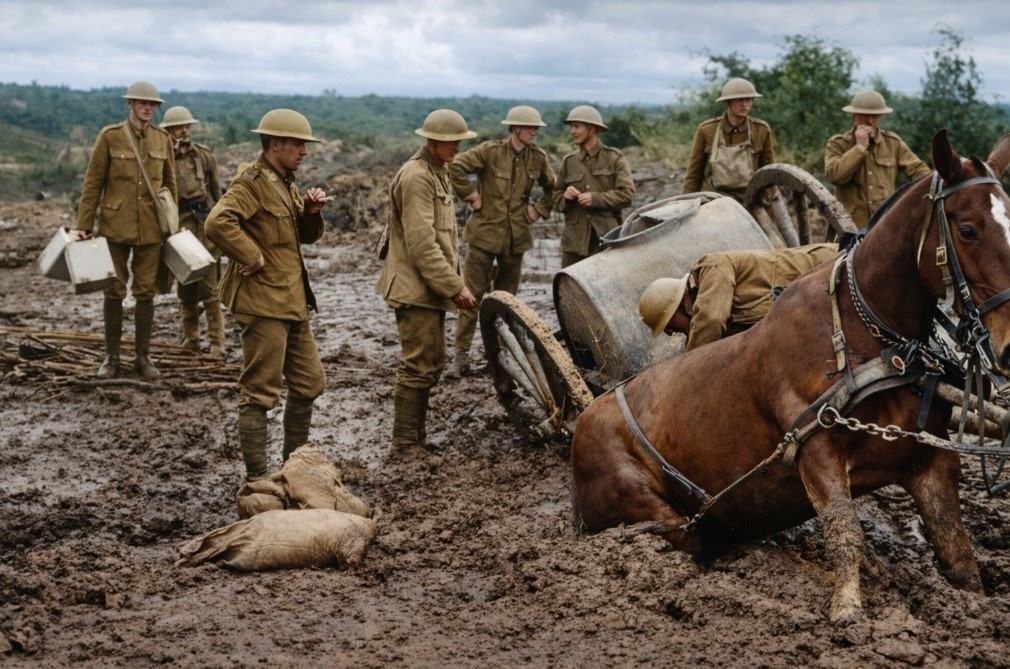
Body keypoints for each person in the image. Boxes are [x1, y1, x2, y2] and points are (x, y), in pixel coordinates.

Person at [205, 109, 329, 482]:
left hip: (291, 299)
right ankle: (259, 477)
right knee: (260, 391)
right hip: (262, 302)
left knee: (310, 382)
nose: (304, 151)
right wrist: (251, 255)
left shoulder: (284, 181)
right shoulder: (253, 181)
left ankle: (292, 467)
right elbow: (217, 222)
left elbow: (299, 237)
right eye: (298, 144)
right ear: (275, 144)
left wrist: (310, 213)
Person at [376, 109, 478, 458]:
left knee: (431, 362)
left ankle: (414, 439)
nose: (457, 148)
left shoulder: (438, 171)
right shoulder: (417, 177)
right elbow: (422, 245)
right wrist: (455, 286)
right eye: (451, 142)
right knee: (419, 364)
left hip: (427, 287)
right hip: (415, 288)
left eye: (460, 141)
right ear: (432, 140)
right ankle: (404, 442)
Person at [445, 105, 556, 378]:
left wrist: (538, 210)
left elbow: (553, 187)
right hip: (484, 235)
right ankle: (461, 356)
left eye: (536, 129)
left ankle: (501, 357)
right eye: (529, 128)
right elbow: (456, 166)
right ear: (514, 128)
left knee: (507, 301)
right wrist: (471, 196)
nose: (534, 133)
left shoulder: (538, 159)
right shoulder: (490, 151)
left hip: (516, 239)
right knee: (470, 296)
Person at [76, 80, 177, 381]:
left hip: (151, 231)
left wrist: (172, 225)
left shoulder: (163, 139)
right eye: (142, 103)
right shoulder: (110, 137)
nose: (148, 108)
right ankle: (112, 358)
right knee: (114, 291)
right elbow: (93, 183)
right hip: (114, 229)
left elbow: (170, 187)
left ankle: (142, 359)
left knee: (146, 293)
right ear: (130, 105)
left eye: (153, 105)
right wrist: (84, 224)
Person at [638, 243, 839, 351]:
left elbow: (711, 320)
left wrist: (682, 372)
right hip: (821, 300)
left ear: (677, 306)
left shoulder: (710, 267)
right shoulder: (716, 320)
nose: (673, 333)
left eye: (669, 326)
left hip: (834, 265)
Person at [159, 105, 226, 358]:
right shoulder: (163, 160)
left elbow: (218, 195)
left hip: (206, 229)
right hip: (180, 231)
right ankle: (192, 339)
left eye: (187, 127)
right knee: (186, 291)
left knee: (210, 292)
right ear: (169, 131)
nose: (185, 131)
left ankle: (217, 344)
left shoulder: (205, 156)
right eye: (179, 128)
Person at [825, 90, 932, 228]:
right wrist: (859, 148)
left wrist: (912, 200)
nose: (870, 121)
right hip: (849, 228)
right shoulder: (838, 143)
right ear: (853, 115)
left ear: (881, 115)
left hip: (884, 227)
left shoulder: (892, 143)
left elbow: (919, 171)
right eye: (865, 115)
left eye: (875, 115)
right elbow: (834, 176)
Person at [553, 105, 635, 268]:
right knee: (567, 289)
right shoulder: (569, 162)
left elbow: (627, 195)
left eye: (577, 126)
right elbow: (555, 200)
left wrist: (595, 199)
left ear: (592, 129)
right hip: (574, 242)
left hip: (605, 239)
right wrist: (565, 198)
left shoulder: (614, 158)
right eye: (571, 127)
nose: (572, 131)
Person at [683, 78, 775, 203]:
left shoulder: (761, 130)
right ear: (728, 101)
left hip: (749, 199)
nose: (744, 104)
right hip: (713, 199)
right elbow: (694, 175)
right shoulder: (707, 130)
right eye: (739, 100)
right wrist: (687, 203)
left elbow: (768, 172)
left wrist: (769, 201)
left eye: (748, 99)